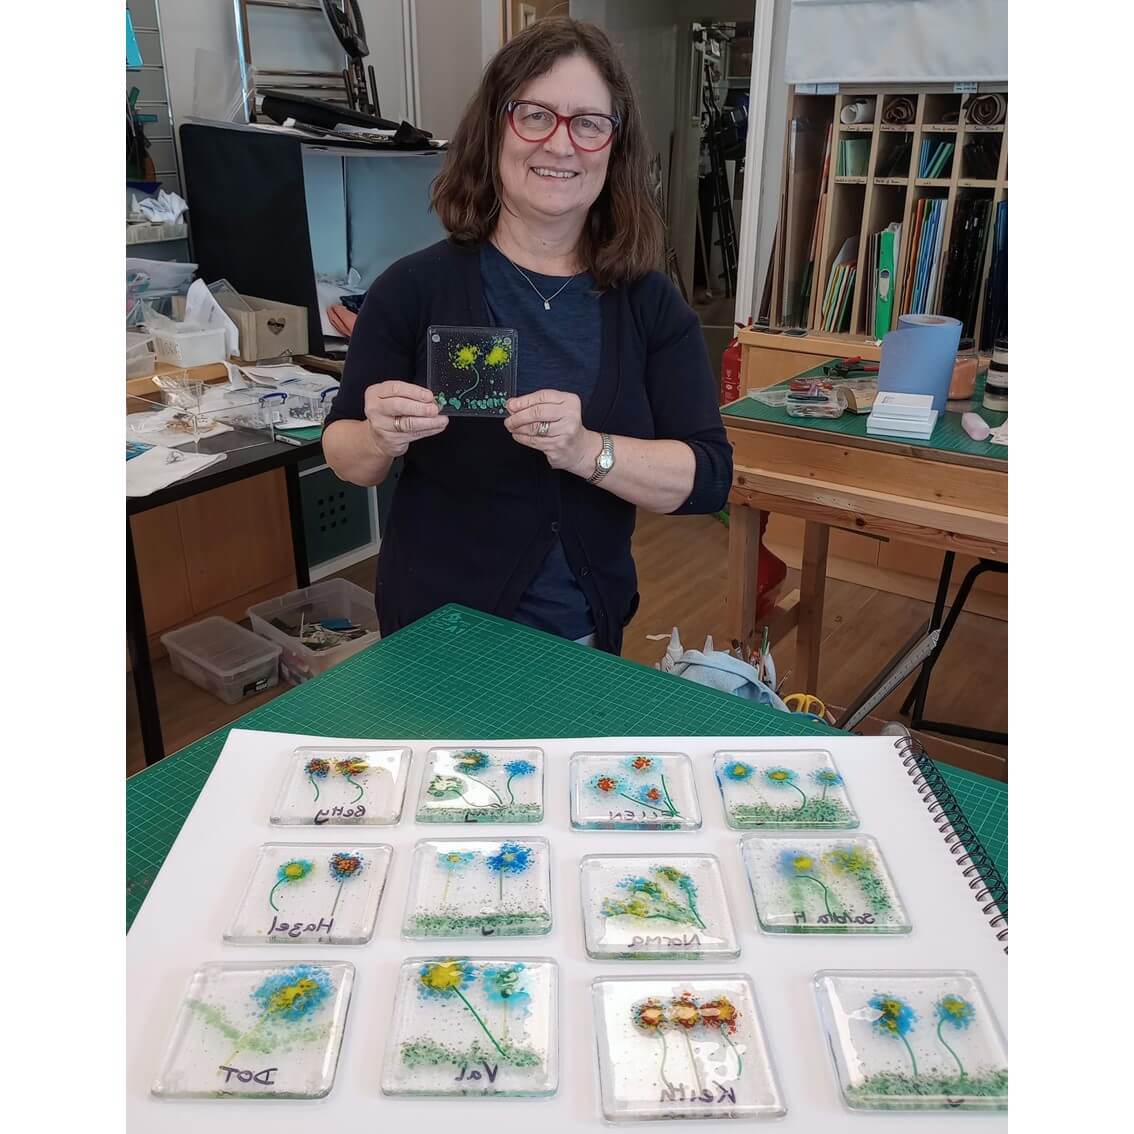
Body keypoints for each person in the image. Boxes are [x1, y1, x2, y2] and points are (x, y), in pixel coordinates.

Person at [322, 17, 731, 654]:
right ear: (494, 130)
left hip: (582, 635)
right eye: (535, 115)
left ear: (614, 148)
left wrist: (587, 450)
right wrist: (379, 435)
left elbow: (707, 478)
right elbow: (345, 455)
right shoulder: (411, 289)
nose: (561, 145)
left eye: (588, 123)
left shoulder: (650, 305)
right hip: (435, 636)